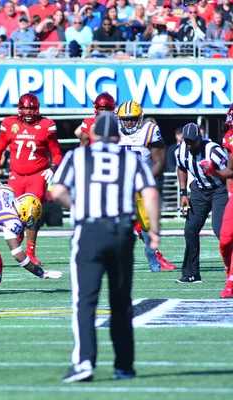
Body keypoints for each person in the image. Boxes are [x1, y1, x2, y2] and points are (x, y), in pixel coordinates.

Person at [51, 112, 161, 383]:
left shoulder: (78, 156)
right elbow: (151, 192)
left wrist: (77, 206)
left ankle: (84, 362)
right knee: (120, 302)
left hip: (89, 231)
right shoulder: (130, 159)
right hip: (121, 232)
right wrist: (155, 231)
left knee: (84, 301)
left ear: (94, 134)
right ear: (118, 135)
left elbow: (57, 192)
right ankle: (124, 365)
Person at [0, 93, 63, 267]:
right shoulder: (9, 124)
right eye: (25, 108)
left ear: (37, 109)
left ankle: (30, 251)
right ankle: (18, 244)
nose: (28, 112)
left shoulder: (46, 125)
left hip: (37, 174)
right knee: (13, 212)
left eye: (31, 108)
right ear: (19, 109)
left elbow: (57, 152)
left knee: (32, 211)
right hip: (15, 175)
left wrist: (53, 169)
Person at [116, 100, 175, 272]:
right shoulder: (111, 129)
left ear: (140, 118)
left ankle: (152, 252)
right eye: (125, 119)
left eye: (133, 119)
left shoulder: (149, 130)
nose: (129, 122)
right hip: (118, 184)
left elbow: (160, 160)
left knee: (148, 224)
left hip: (141, 183)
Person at [175, 123, 229, 283]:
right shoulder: (181, 150)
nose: (190, 144)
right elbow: (181, 168)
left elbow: (229, 173)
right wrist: (183, 193)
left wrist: (229, 193)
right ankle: (191, 273)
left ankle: (230, 270)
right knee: (190, 228)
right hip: (199, 189)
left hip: (219, 190)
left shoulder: (214, 151)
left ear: (200, 137)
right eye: (187, 141)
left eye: (193, 141)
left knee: (220, 229)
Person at [218, 105, 233, 298]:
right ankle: (229, 270)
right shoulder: (229, 137)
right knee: (225, 239)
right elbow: (231, 170)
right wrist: (213, 171)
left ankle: (231, 281)